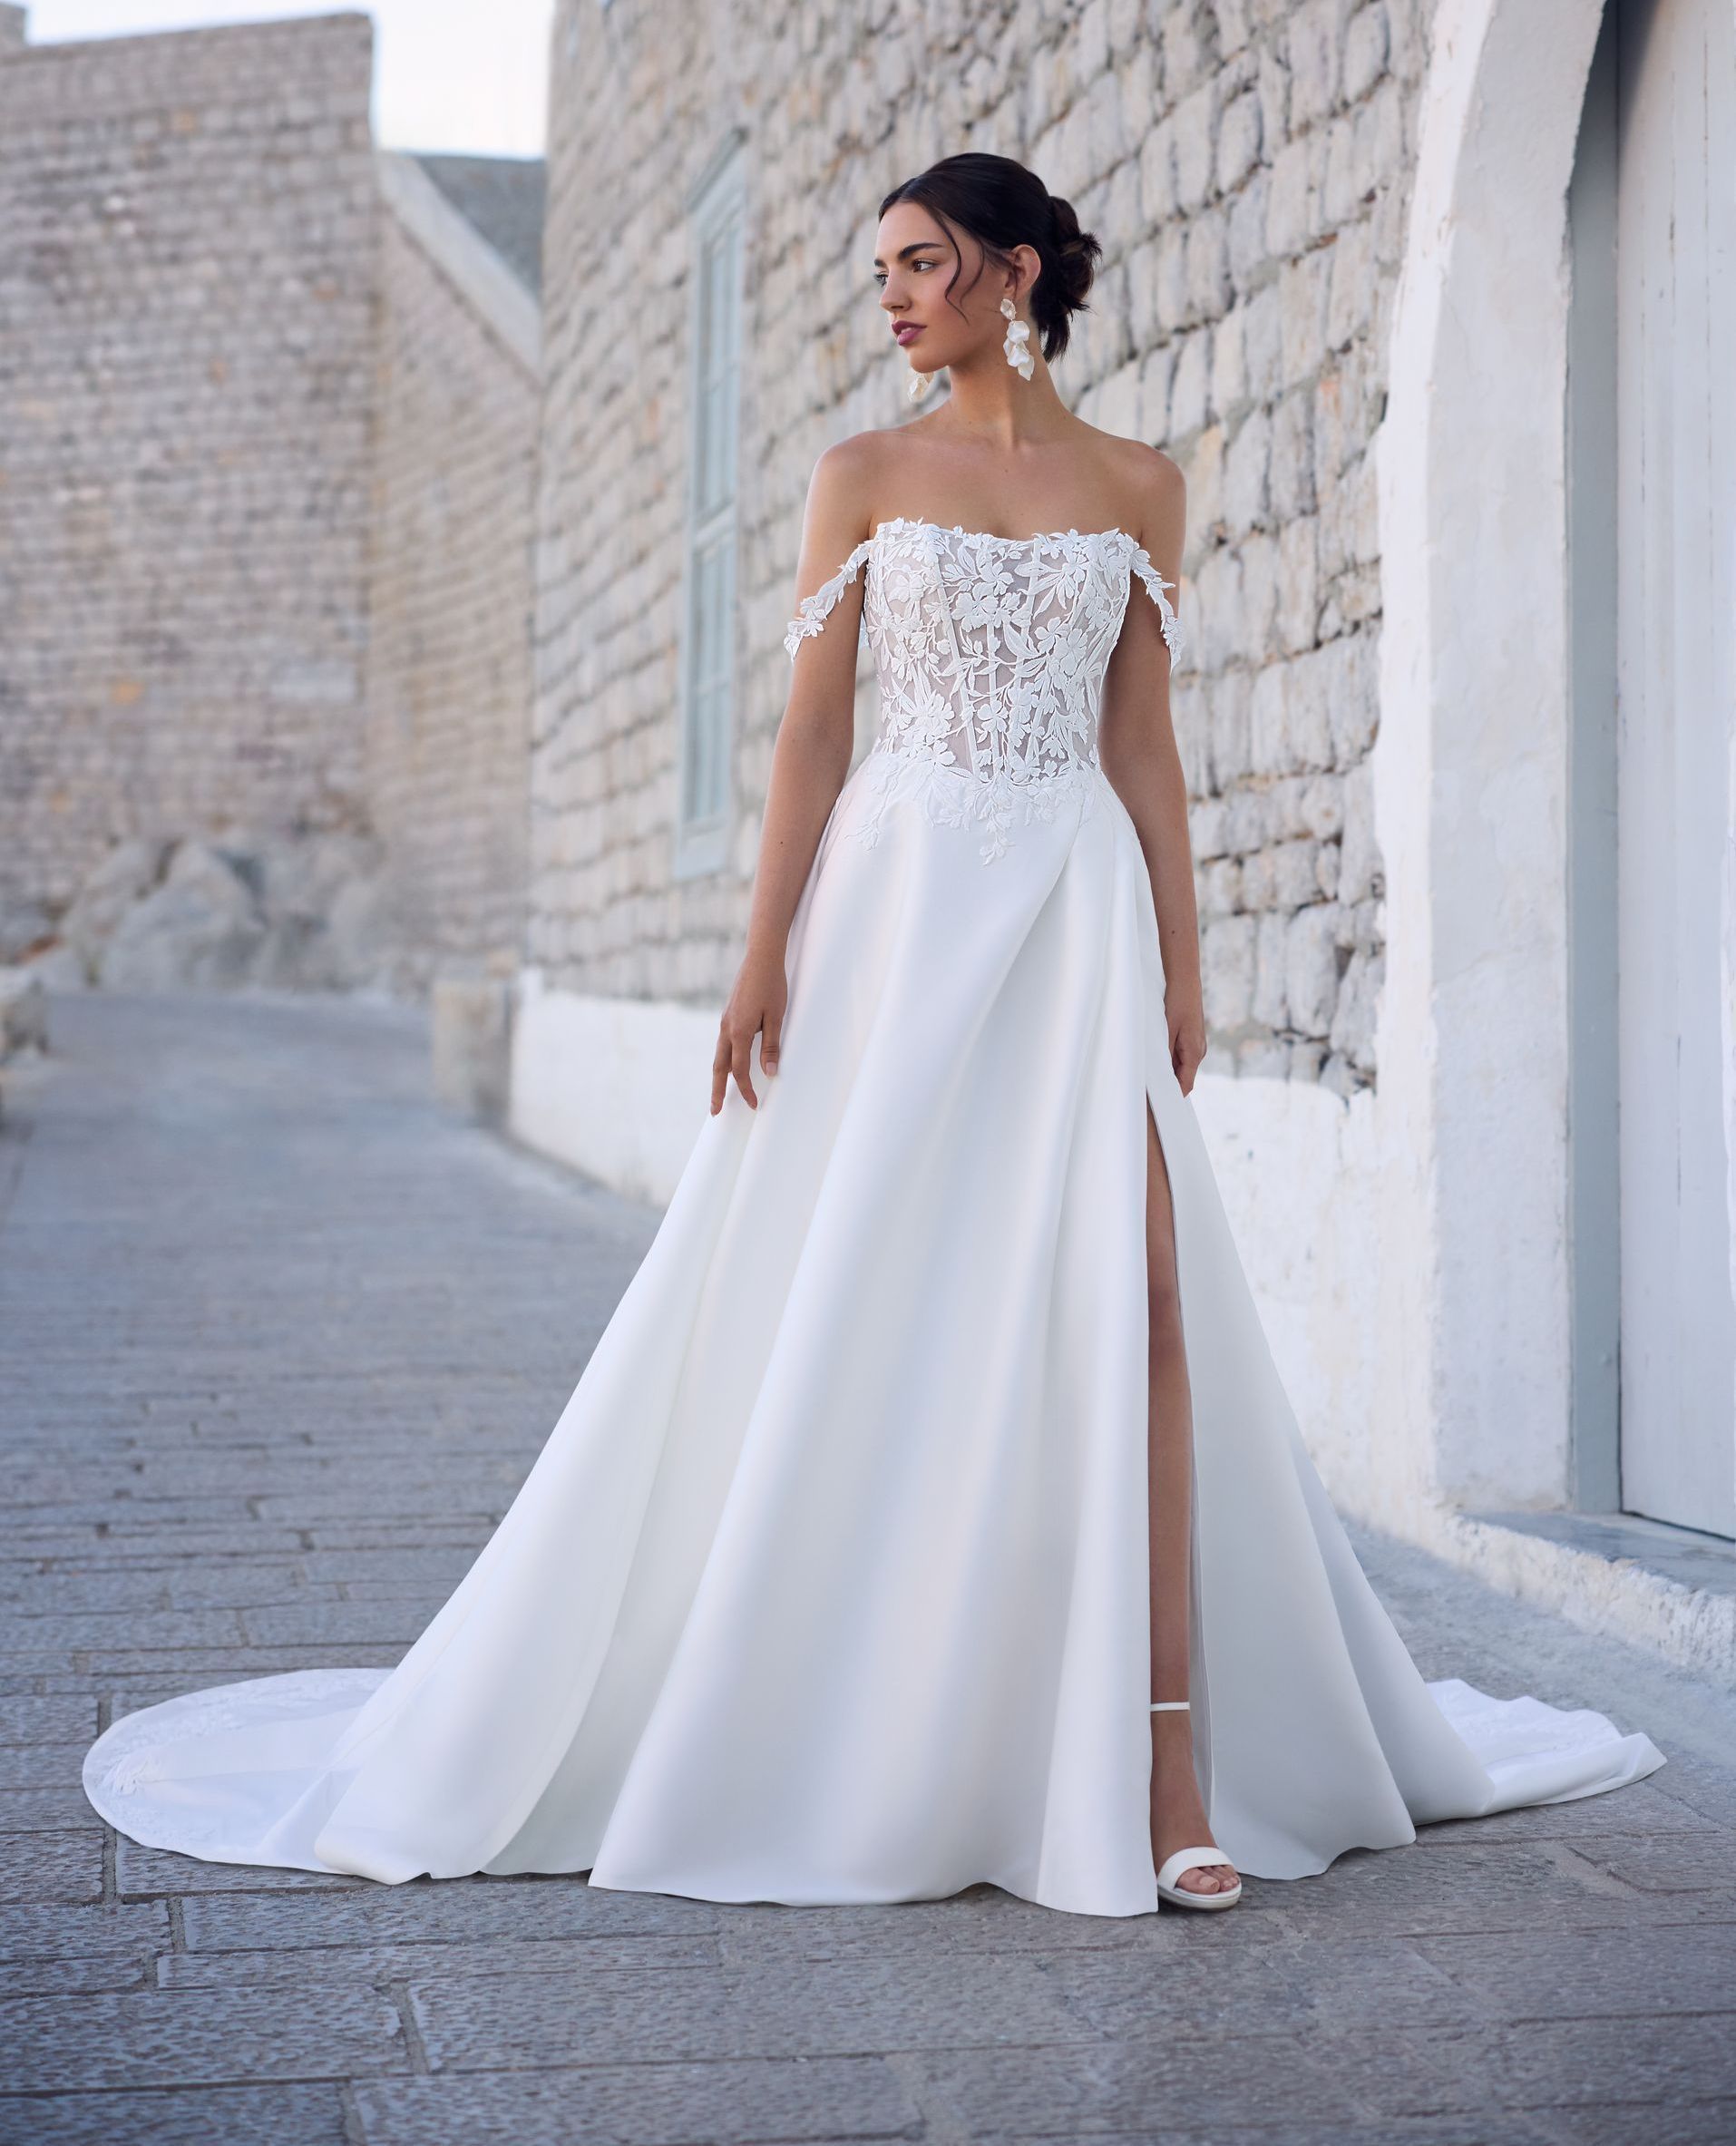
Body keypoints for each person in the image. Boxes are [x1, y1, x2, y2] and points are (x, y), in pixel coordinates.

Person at [83, 152, 1663, 1917]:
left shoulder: (1140, 484)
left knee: (1137, 1302)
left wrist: (1186, 963)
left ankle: (1161, 1770)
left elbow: (1143, 747)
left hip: (1071, 911)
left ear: (1008, 273)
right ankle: (864, 1711)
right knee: (865, 1288)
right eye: (883, 273)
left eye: (919, 265)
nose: (893, 299)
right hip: (899, 911)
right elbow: (813, 742)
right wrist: (761, 961)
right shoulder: (861, 474)